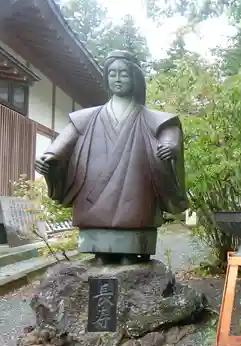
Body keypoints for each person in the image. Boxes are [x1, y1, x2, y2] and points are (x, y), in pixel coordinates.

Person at [34, 50, 188, 265]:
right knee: (98, 247)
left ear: (134, 77)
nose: (117, 78)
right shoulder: (86, 118)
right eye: (112, 73)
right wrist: (48, 158)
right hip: (92, 191)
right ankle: (99, 250)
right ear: (106, 77)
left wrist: (169, 147)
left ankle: (133, 250)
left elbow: (169, 135)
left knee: (135, 214)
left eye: (123, 74)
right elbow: (61, 145)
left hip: (135, 188)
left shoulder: (152, 118)